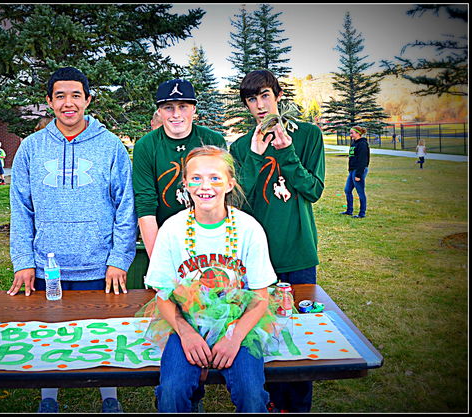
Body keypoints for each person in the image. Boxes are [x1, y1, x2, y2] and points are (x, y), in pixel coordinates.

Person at [8, 66, 137, 413]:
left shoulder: (110, 147)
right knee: (49, 333)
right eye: (61, 96)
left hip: (98, 265)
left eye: (76, 95)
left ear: (88, 100)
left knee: (103, 334)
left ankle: (110, 398)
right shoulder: (31, 149)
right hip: (47, 265)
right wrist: (23, 262)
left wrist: (118, 259)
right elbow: (20, 210)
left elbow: (126, 207)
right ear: (49, 102)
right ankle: (49, 399)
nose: (69, 103)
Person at [139, 145, 278, 413]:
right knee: (172, 391)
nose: (206, 186)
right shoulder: (173, 229)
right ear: (186, 184)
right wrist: (186, 332)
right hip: (187, 321)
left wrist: (234, 336)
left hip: (239, 323)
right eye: (196, 178)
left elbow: (261, 297)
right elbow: (163, 295)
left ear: (230, 184)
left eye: (215, 177)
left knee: (251, 394)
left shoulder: (249, 228)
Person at [229, 69, 325, 412]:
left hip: (298, 250)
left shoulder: (310, 135)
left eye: (264, 96)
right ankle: (268, 400)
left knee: (299, 329)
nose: (258, 105)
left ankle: (298, 404)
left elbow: (313, 190)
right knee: (261, 330)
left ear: (278, 95)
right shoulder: (240, 145)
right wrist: (254, 156)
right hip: (255, 257)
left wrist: (286, 152)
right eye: (251, 99)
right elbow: (237, 201)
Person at [133, 78, 227, 258]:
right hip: (165, 239)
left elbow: (223, 196)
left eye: (183, 106)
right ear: (159, 111)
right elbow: (145, 206)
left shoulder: (212, 140)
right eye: (169, 107)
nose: (176, 114)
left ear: (194, 109)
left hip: (209, 236)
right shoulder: (146, 146)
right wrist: (158, 261)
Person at [341, 125, 370, 218]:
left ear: (358, 133)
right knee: (347, 190)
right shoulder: (354, 143)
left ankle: (362, 213)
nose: (350, 135)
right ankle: (349, 211)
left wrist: (358, 175)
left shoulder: (362, 144)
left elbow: (363, 160)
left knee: (360, 191)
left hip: (359, 170)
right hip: (353, 170)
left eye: (352, 133)